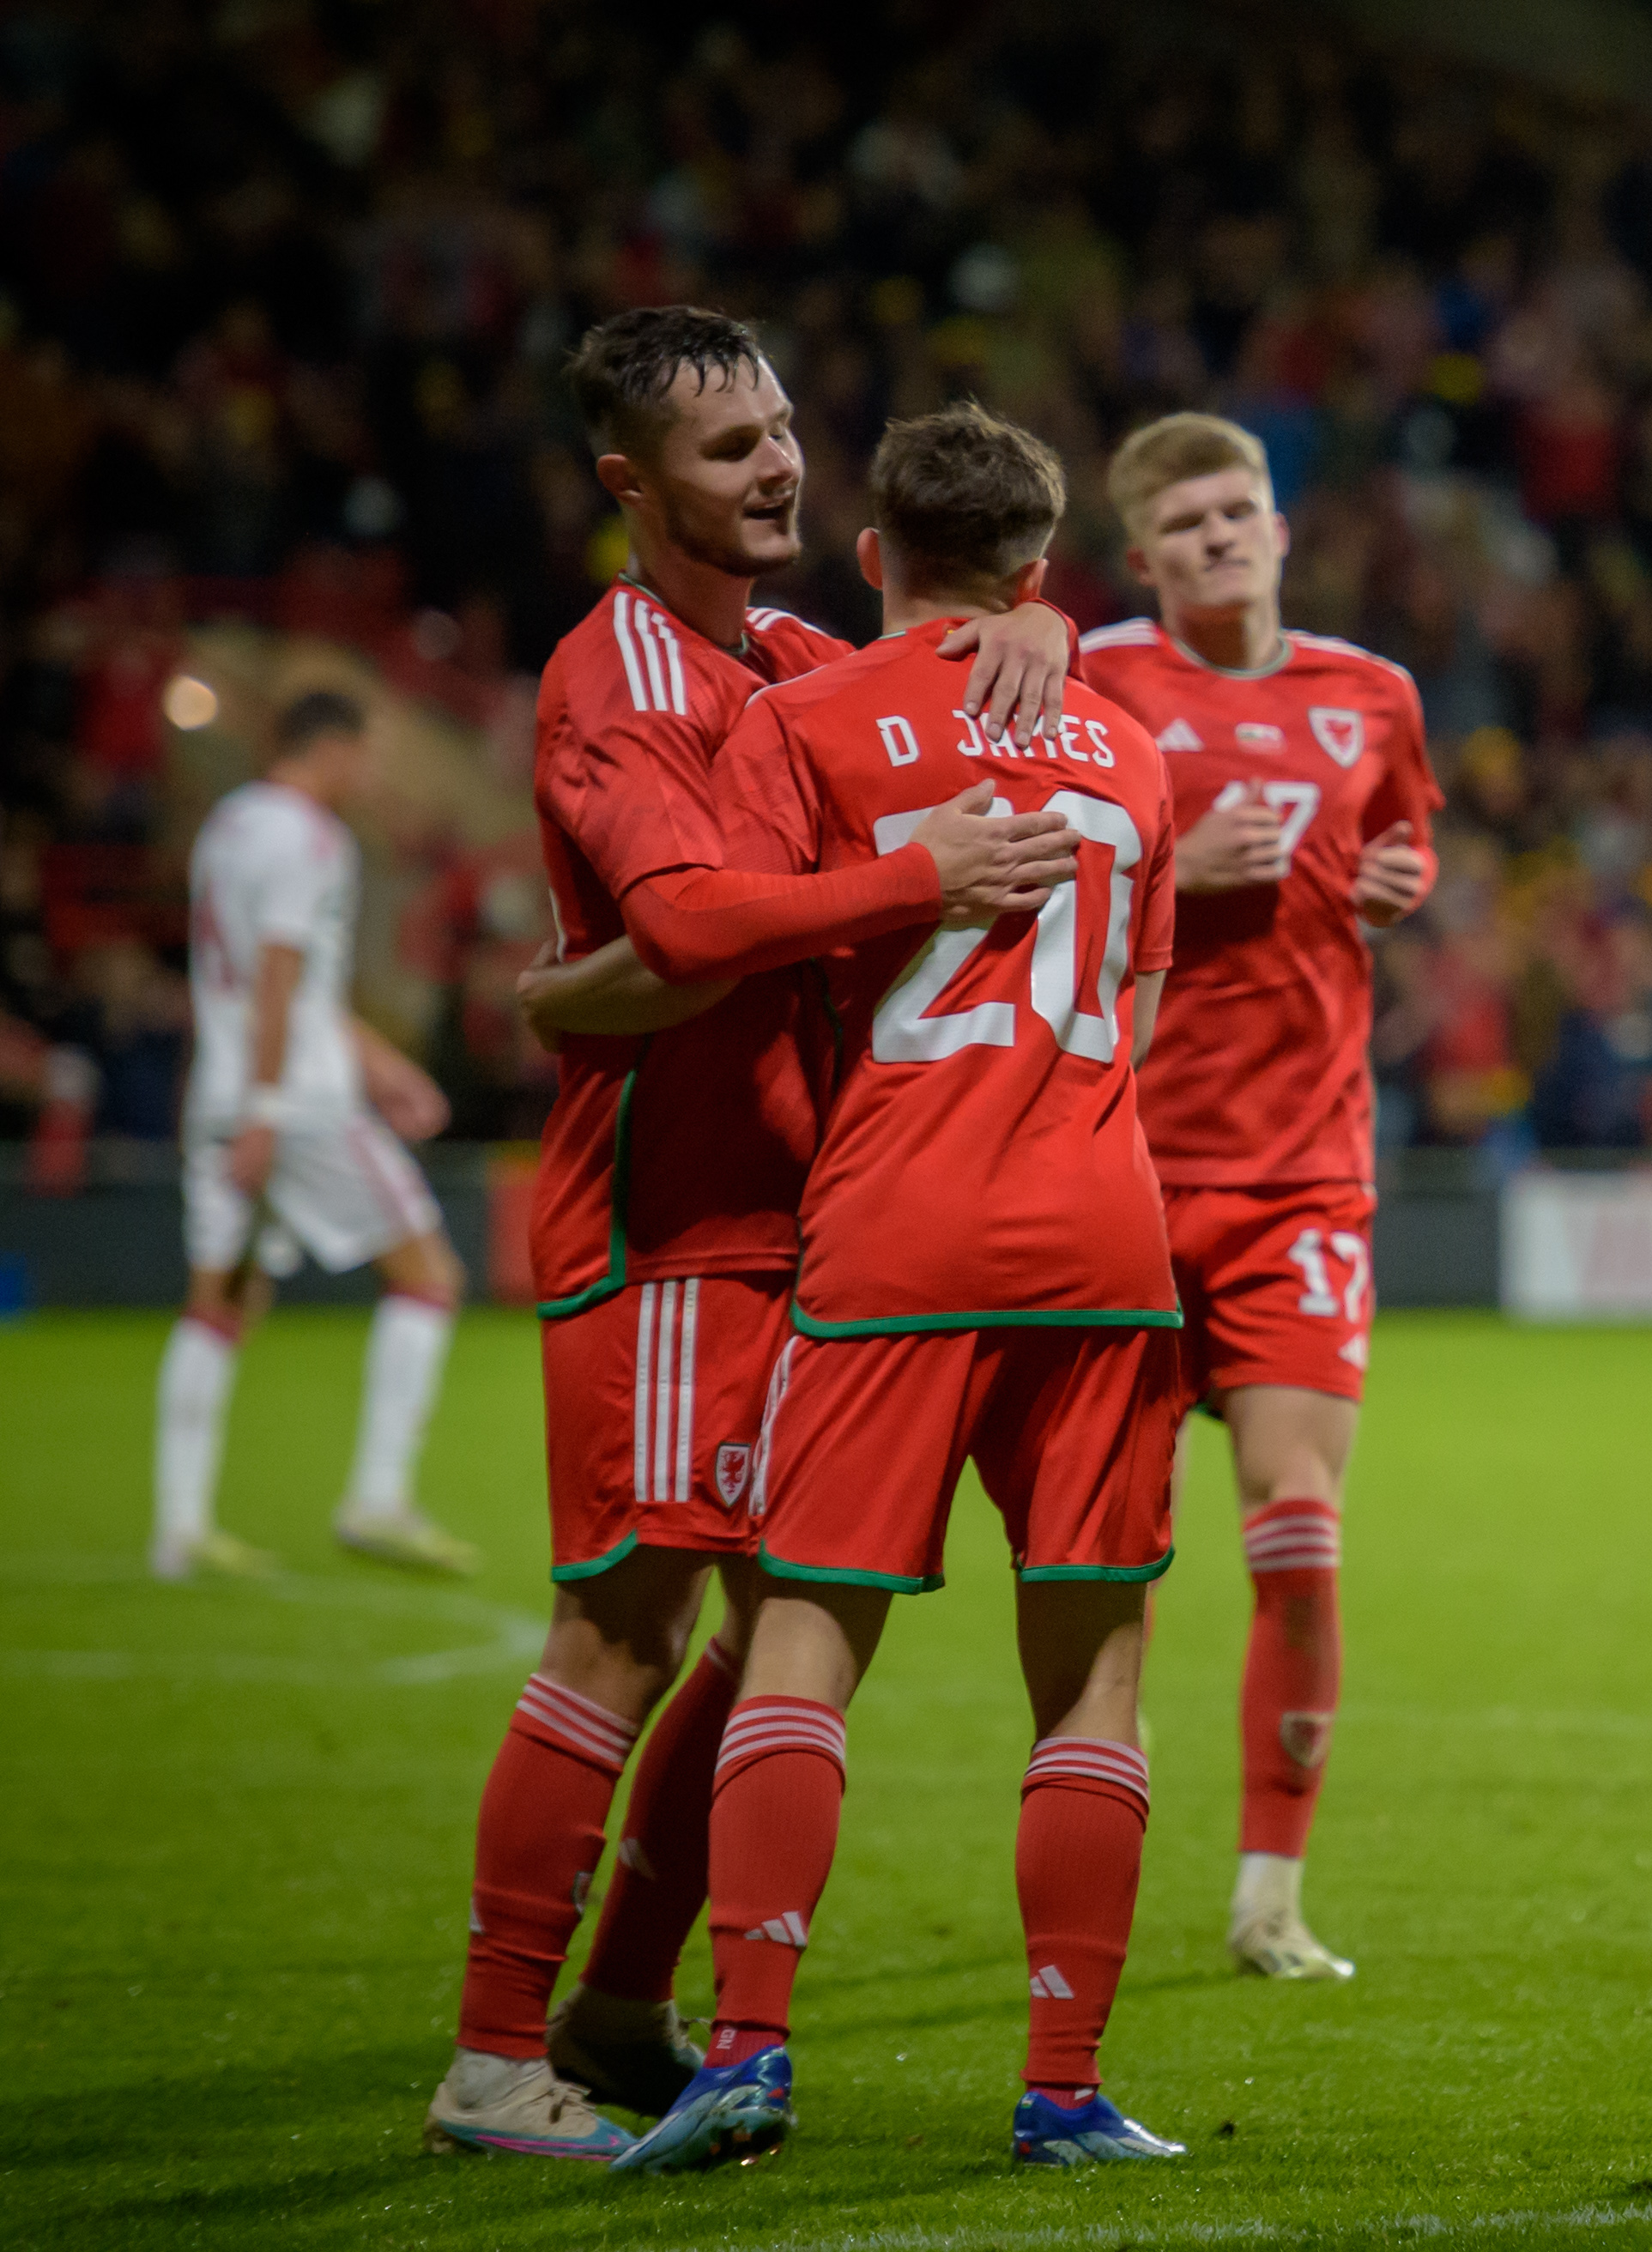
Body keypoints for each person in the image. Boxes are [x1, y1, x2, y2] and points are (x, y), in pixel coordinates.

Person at [426, 306, 1081, 2163]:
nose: (780, 466)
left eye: (785, 430)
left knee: (783, 1626)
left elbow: (972, 670)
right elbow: (700, 928)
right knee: (622, 1626)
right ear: (629, 483)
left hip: (819, 1222)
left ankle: (624, 1994)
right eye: (730, 450)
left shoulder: (794, 648)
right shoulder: (615, 679)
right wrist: (912, 874)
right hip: (678, 1226)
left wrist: (1035, 615)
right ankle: (487, 2057)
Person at [618, 402, 1187, 2175]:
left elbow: (710, 940)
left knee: (804, 1637)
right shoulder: (1127, 748)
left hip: (891, 1232)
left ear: (873, 556)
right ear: (1039, 572)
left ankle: (749, 2051)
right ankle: (1065, 2086)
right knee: (1092, 1669)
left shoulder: (805, 717)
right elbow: (1146, 1018)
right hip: (1102, 1238)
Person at [1074, 412, 1437, 1980]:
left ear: (1282, 528)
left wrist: (1399, 882)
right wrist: (1168, 859)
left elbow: (1403, 840)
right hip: (1119, 1169)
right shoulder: (1087, 678)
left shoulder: (1372, 696)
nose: (1222, 536)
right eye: (1189, 522)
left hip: (1302, 1175)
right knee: (1104, 1562)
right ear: (1143, 557)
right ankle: (1084, 1870)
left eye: (1242, 510)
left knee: (1297, 1524)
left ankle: (1268, 1895)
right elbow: (1020, 872)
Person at [158, 687, 475, 1583]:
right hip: (293, 1101)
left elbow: (275, 983)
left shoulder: (227, 826)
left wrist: (380, 1064)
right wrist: (270, 1107)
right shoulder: (308, 837)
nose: (368, 773)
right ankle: (378, 1495)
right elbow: (279, 973)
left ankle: (178, 1529)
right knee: (430, 1277)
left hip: (223, 1090)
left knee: (218, 1301)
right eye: (364, 752)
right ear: (330, 748)